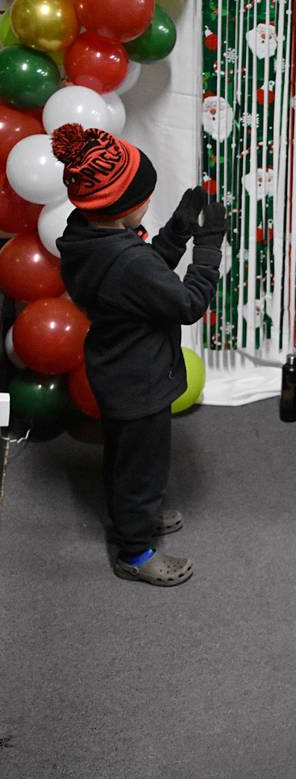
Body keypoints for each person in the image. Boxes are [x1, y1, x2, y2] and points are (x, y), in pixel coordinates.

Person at [53, 124, 227, 587]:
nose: (149, 202)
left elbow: (146, 277)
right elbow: (186, 303)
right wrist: (208, 249)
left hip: (114, 372)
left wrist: (177, 230)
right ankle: (135, 551)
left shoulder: (85, 236)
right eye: (145, 198)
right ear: (123, 208)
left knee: (124, 458)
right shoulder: (129, 262)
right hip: (141, 383)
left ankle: (135, 515)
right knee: (142, 469)